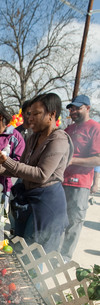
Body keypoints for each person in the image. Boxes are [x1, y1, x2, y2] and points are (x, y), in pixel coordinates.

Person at [0, 93, 74, 254]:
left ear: (51, 114)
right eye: (29, 114)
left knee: (35, 256)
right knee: (20, 249)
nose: (30, 118)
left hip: (46, 204)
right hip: (28, 198)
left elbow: (41, 174)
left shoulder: (59, 139)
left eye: (36, 114)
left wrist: (6, 160)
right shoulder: (32, 138)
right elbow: (22, 168)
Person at [60, 95, 100, 262]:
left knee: (74, 221)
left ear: (88, 108)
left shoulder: (95, 128)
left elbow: (97, 159)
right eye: (71, 108)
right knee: (59, 220)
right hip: (61, 180)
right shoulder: (69, 129)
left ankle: (65, 257)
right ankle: (53, 252)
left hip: (80, 183)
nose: (73, 111)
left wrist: (73, 160)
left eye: (77, 108)